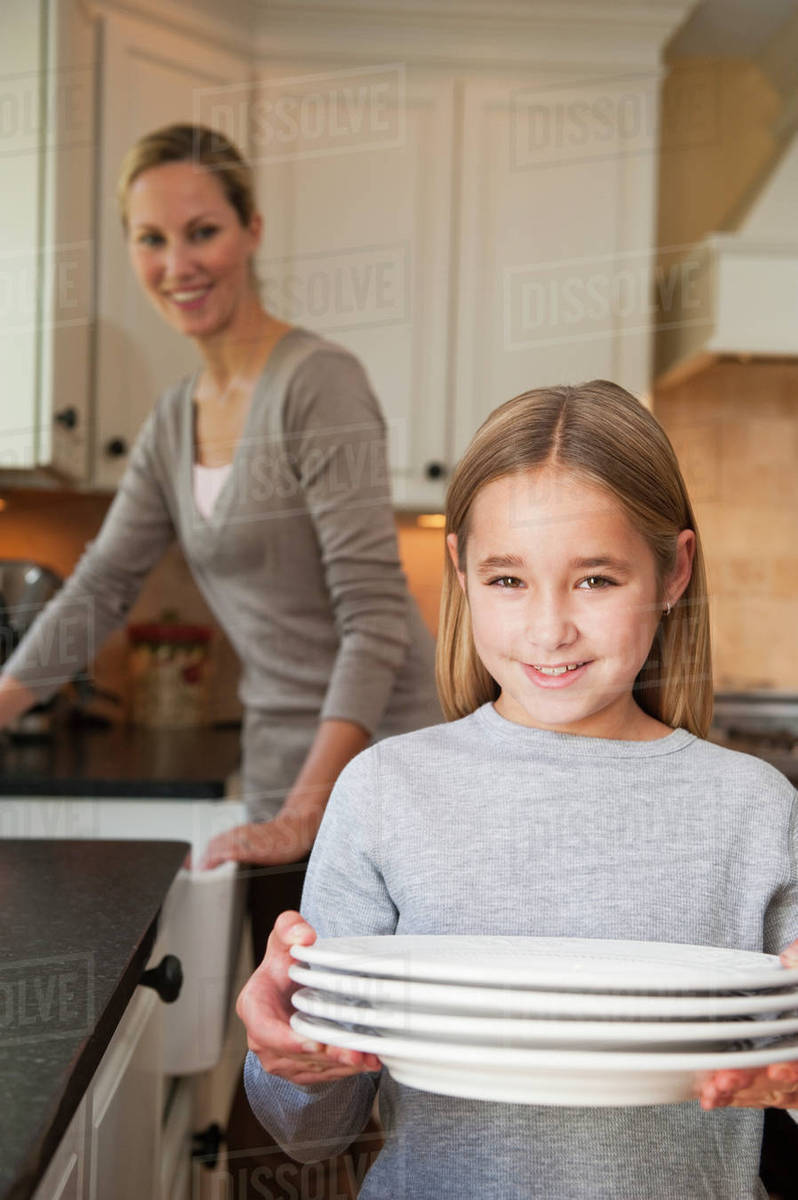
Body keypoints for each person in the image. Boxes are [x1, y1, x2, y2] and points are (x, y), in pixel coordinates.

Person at [0, 123, 440, 1193]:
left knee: (351, 1097)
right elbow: (103, 582)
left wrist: (308, 808)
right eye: (151, 238)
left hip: (379, 778)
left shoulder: (316, 384)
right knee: (289, 1101)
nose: (177, 262)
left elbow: (375, 613)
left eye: (202, 229)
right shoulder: (171, 420)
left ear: (250, 230)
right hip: (291, 774)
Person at [237, 380, 798, 1199]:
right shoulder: (388, 793)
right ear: (461, 570)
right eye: (509, 580)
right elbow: (308, 1132)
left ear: (674, 571)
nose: (549, 629)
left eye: (596, 580)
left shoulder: (755, 809)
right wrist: (284, 1047)